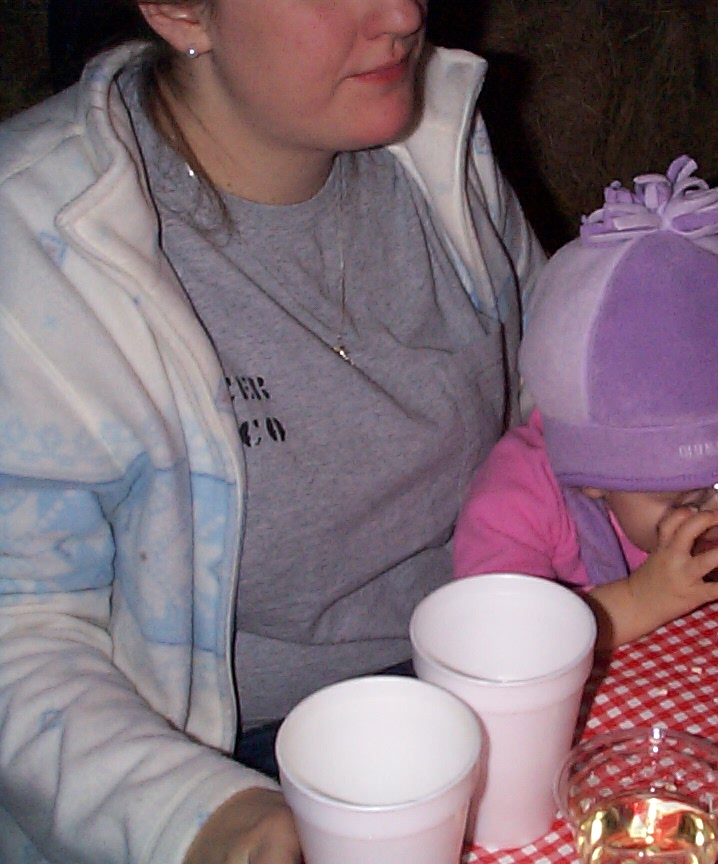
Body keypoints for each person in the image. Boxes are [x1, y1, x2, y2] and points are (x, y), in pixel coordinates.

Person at [0, 0, 544, 862]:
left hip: (489, 673)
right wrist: (204, 815)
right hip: (226, 757)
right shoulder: (31, 246)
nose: (404, 13)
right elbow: (20, 638)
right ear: (181, 10)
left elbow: (551, 394)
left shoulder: (439, 136)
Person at [453, 156, 718, 648]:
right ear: (592, 478)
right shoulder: (517, 501)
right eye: (685, 501)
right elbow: (493, 634)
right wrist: (641, 600)